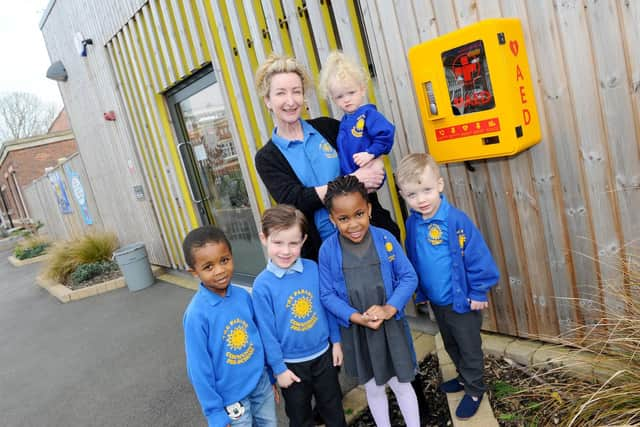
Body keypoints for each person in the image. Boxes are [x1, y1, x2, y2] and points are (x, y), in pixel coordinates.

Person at [254, 53, 400, 262]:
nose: (290, 101)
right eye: (280, 93)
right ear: (267, 100)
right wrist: (355, 180)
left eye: (296, 92)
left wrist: (374, 164)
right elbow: (297, 200)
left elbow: (367, 152)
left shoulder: (329, 127)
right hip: (325, 256)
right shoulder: (267, 158)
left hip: (373, 236)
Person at [396, 153, 500, 420]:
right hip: (438, 301)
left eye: (427, 190)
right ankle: (464, 378)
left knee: (468, 346)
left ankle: (476, 389)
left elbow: (477, 257)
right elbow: (415, 258)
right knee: (450, 343)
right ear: (403, 195)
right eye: (412, 194)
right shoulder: (413, 222)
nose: (421, 200)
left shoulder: (455, 221)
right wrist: (420, 292)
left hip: (462, 301)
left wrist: (478, 292)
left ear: (440, 185)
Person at [318, 175, 420, 427]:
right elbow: (327, 294)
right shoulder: (328, 250)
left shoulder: (385, 239)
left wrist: (388, 308)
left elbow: (408, 277)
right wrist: (355, 316)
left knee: (402, 384)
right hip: (357, 333)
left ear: (369, 209)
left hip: (391, 328)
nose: (353, 224)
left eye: (359, 214)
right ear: (332, 219)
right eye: (343, 218)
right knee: (373, 388)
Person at [252, 205, 347, 427]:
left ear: (303, 241)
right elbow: (266, 333)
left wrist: (336, 342)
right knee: (300, 418)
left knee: (333, 410)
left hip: (323, 356)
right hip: (290, 366)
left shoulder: (313, 269)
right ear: (264, 238)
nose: (285, 251)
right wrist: (278, 369)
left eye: (293, 243)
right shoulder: (262, 286)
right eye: (278, 243)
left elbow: (327, 306)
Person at [182, 226, 278, 427]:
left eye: (224, 260)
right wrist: (214, 412)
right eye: (208, 267)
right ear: (194, 272)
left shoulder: (244, 296)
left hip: (260, 385)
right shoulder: (196, 315)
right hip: (230, 400)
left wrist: (270, 376)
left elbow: (259, 337)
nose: (219, 271)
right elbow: (199, 368)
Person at [318, 50, 394, 176]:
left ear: (362, 89)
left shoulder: (368, 115)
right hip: (351, 178)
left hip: (369, 171)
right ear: (333, 99)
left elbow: (386, 133)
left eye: (351, 93)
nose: (346, 99)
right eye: (339, 96)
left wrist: (371, 153)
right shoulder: (344, 122)